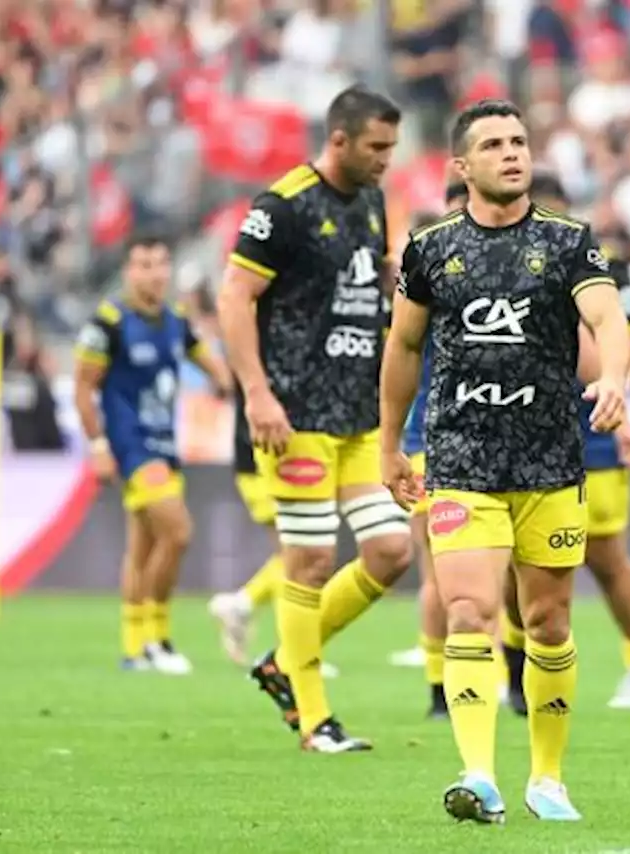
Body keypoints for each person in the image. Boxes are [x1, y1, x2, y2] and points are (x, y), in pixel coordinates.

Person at [380, 99, 630, 824]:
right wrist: (390, 443)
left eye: (519, 141)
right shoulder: (429, 250)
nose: (512, 153)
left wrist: (612, 376)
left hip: (551, 461)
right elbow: (402, 348)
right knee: (468, 609)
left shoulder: (568, 242)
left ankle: (547, 778)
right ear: (463, 166)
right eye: (493, 144)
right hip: (461, 460)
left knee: (548, 622)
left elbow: (608, 316)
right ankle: (479, 774)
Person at [216, 85, 413, 752]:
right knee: (308, 558)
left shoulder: (373, 201)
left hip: (357, 412)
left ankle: (281, 662)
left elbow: (369, 281)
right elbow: (236, 296)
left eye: (392, 146)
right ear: (340, 140)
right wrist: (256, 393)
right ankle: (314, 718)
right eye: (377, 147)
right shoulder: (283, 205)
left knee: (391, 550)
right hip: (295, 411)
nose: (387, 158)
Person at [497, 172, 630, 712]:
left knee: (605, 557)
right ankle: (517, 668)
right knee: (507, 558)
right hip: (520, 432)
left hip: (592, 430)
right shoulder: (497, 264)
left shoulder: (603, 269)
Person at [73, 233, 232, 674]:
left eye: (161, 264)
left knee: (143, 546)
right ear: (128, 271)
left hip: (165, 443)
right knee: (178, 532)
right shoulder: (108, 322)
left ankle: (134, 646)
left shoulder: (174, 319)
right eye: (144, 264)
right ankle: (157, 640)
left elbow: (204, 356)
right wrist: (99, 446)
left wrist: (222, 379)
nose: (155, 273)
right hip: (131, 446)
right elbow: (83, 389)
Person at [386, 181, 471, 720]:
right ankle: (439, 686)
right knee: (438, 571)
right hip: (430, 442)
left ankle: (501, 674)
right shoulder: (430, 273)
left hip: (495, 442)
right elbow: (400, 353)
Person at [204, 381, 339, 678]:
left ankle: (244, 606)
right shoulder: (263, 345)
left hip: (271, 455)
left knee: (295, 554)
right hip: (264, 459)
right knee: (297, 554)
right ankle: (292, 649)